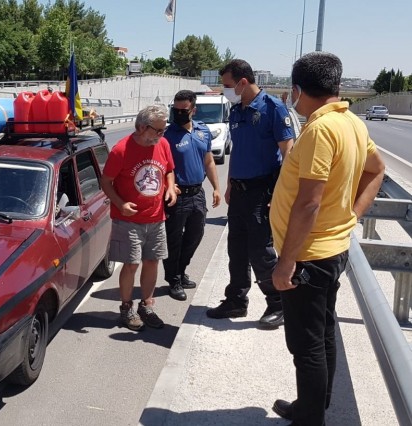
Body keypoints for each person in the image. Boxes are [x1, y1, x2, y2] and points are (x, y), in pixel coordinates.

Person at [269, 52, 385, 426]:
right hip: (332, 249)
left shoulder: (320, 130)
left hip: (309, 256)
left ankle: (310, 419)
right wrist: (352, 215)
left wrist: (287, 261)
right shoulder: (350, 122)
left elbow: (308, 204)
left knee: (306, 346)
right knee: (323, 333)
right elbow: (376, 170)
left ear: (298, 90)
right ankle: (313, 406)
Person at [205, 59, 295, 329]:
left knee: (261, 251)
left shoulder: (273, 109)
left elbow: (287, 152)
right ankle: (236, 300)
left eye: (228, 85)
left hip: (262, 189)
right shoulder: (237, 110)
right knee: (237, 249)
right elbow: (239, 150)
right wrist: (230, 183)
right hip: (241, 190)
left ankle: (278, 303)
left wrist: (278, 192)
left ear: (243, 82)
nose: (226, 90)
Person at [101, 105, 177, 331]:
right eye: (158, 130)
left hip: (156, 217)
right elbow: (105, 182)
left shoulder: (162, 144)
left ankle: (147, 305)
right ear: (142, 127)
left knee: (152, 261)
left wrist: (170, 188)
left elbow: (169, 170)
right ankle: (126, 308)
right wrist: (121, 204)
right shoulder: (121, 150)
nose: (162, 135)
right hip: (129, 220)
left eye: (164, 130)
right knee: (132, 264)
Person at [162, 90, 221, 301]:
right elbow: (160, 166)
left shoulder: (202, 131)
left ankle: (181, 269)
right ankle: (173, 279)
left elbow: (209, 161)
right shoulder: (167, 136)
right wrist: (168, 186)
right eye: (175, 110)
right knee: (173, 240)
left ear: (193, 110)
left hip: (198, 193)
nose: (178, 114)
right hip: (177, 196)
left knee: (196, 235)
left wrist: (216, 187)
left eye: (183, 110)